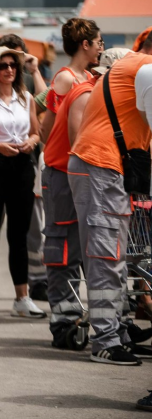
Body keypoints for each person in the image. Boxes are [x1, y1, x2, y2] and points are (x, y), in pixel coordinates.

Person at [70, 48, 152, 366]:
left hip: (102, 164)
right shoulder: (145, 68)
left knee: (113, 256)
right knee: (106, 257)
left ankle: (115, 333)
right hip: (101, 165)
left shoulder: (135, 65)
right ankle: (105, 341)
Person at [40, 18, 102, 347]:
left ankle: (82, 316)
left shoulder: (92, 78)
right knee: (62, 246)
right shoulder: (65, 79)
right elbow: (47, 128)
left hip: (80, 172)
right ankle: (63, 321)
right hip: (62, 171)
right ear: (85, 45)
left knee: (82, 248)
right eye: (98, 41)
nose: (101, 47)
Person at [0, 46, 45, 320]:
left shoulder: (25, 98)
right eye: (4, 65)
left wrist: (31, 142)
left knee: (20, 235)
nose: (10, 69)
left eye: (14, 65)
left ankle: (22, 297)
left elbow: (37, 133)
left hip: (21, 167)